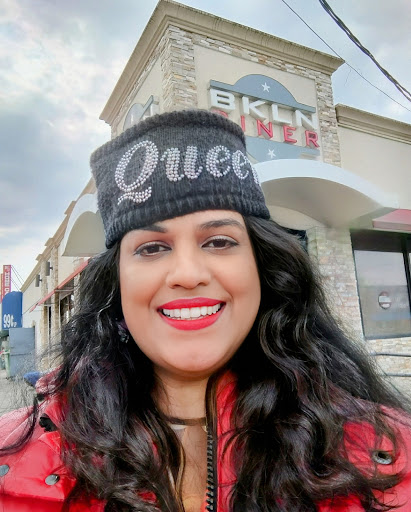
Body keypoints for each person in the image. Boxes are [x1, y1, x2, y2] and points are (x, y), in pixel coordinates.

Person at [0, 109, 410, 512]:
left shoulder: (388, 450)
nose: (188, 274)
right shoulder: (15, 456)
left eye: (218, 242)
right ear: (117, 284)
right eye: (152, 248)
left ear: (263, 269)